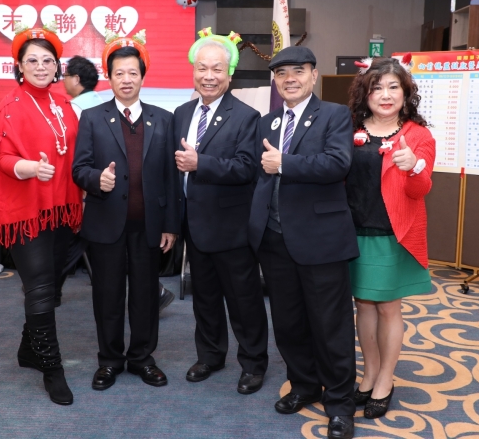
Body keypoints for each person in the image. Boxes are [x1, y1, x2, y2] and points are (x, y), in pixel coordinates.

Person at [248, 46, 358, 439]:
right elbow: (257, 174)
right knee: (288, 322)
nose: (289, 79)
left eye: (298, 70)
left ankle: (340, 404)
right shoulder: (267, 121)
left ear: (313, 75)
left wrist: (286, 163)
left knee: (331, 326)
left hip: (321, 241)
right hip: (275, 240)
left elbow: (338, 163)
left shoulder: (334, 114)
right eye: (281, 73)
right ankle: (304, 384)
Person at [72, 30, 179, 391]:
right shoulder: (92, 118)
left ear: (142, 76)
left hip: (149, 226)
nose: (126, 79)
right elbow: (79, 168)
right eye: (119, 73)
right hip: (106, 223)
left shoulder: (163, 119)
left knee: (146, 297)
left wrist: (171, 225)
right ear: (109, 77)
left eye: (133, 72)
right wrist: (96, 179)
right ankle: (109, 360)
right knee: (108, 296)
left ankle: (143, 358)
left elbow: (170, 178)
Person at [0, 23, 83, 405]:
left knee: (52, 285)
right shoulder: (9, 108)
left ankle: (29, 350)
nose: (41, 67)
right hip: (26, 211)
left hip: (61, 208)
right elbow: (1, 158)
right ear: (20, 66)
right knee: (40, 288)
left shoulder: (63, 105)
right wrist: (28, 168)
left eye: (47, 60)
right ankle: (52, 369)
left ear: (57, 66)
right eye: (32, 61)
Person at [173, 28, 268, 393]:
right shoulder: (182, 113)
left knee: (244, 301)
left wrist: (202, 163)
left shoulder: (246, 116)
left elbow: (247, 168)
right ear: (193, 70)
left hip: (232, 227)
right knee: (205, 299)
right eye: (202, 68)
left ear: (229, 74)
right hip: (195, 225)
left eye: (216, 69)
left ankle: (254, 363)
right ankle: (210, 355)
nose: (208, 76)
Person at [347, 55, 435, 420]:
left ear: (405, 92)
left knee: (387, 307)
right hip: (352, 231)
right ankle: (369, 374)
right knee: (363, 304)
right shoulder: (349, 127)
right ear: (365, 94)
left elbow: (421, 189)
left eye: (393, 87)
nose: (385, 95)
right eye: (377, 88)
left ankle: (385, 379)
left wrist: (413, 167)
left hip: (391, 234)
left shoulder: (418, 135)